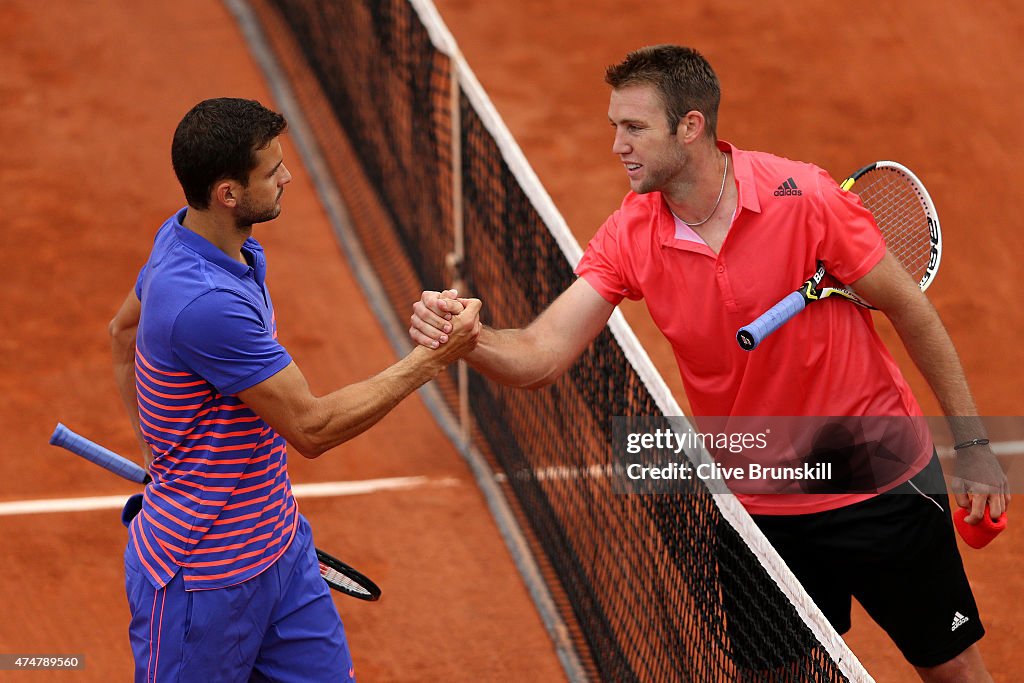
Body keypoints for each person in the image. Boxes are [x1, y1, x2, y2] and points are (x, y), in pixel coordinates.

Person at [408, 46, 1008, 682]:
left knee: (953, 673)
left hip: (881, 478)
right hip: (759, 504)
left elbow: (910, 308)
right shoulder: (630, 234)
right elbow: (542, 354)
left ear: (689, 127)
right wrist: (470, 340)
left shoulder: (803, 195)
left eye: (634, 127)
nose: (618, 145)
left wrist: (972, 444)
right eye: (614, 126)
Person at [108, 97, 481, 682]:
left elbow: (122, 330)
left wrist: (160, 454)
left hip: (281, 550)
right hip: (203, 581)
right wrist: (433, 360)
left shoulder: (193, 242)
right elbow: (311, 427)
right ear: (228, 193)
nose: (287, 176)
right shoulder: (206, 304)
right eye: (271, 170)